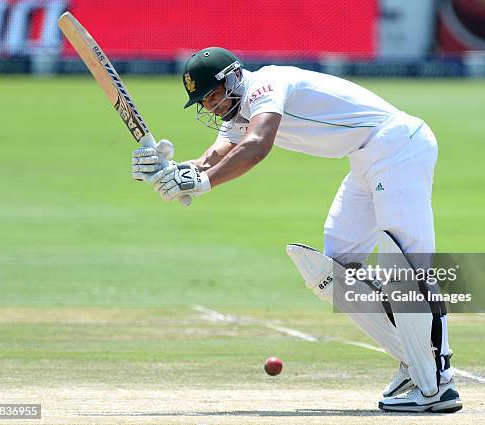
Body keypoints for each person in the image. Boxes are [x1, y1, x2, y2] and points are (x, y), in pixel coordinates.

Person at [131, 47, 462, 413]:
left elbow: (257, 146)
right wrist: (171, 171)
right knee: (336, 270)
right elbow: (213, 157)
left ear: (232, 78)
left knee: (406, 263)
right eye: (202, 101)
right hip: (365, 159)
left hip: (398, 146)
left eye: (211, 95)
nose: (209, 106)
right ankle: (415, 364)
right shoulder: (236, 112)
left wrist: (202, 182)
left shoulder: (265, 86)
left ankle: (439, 383)